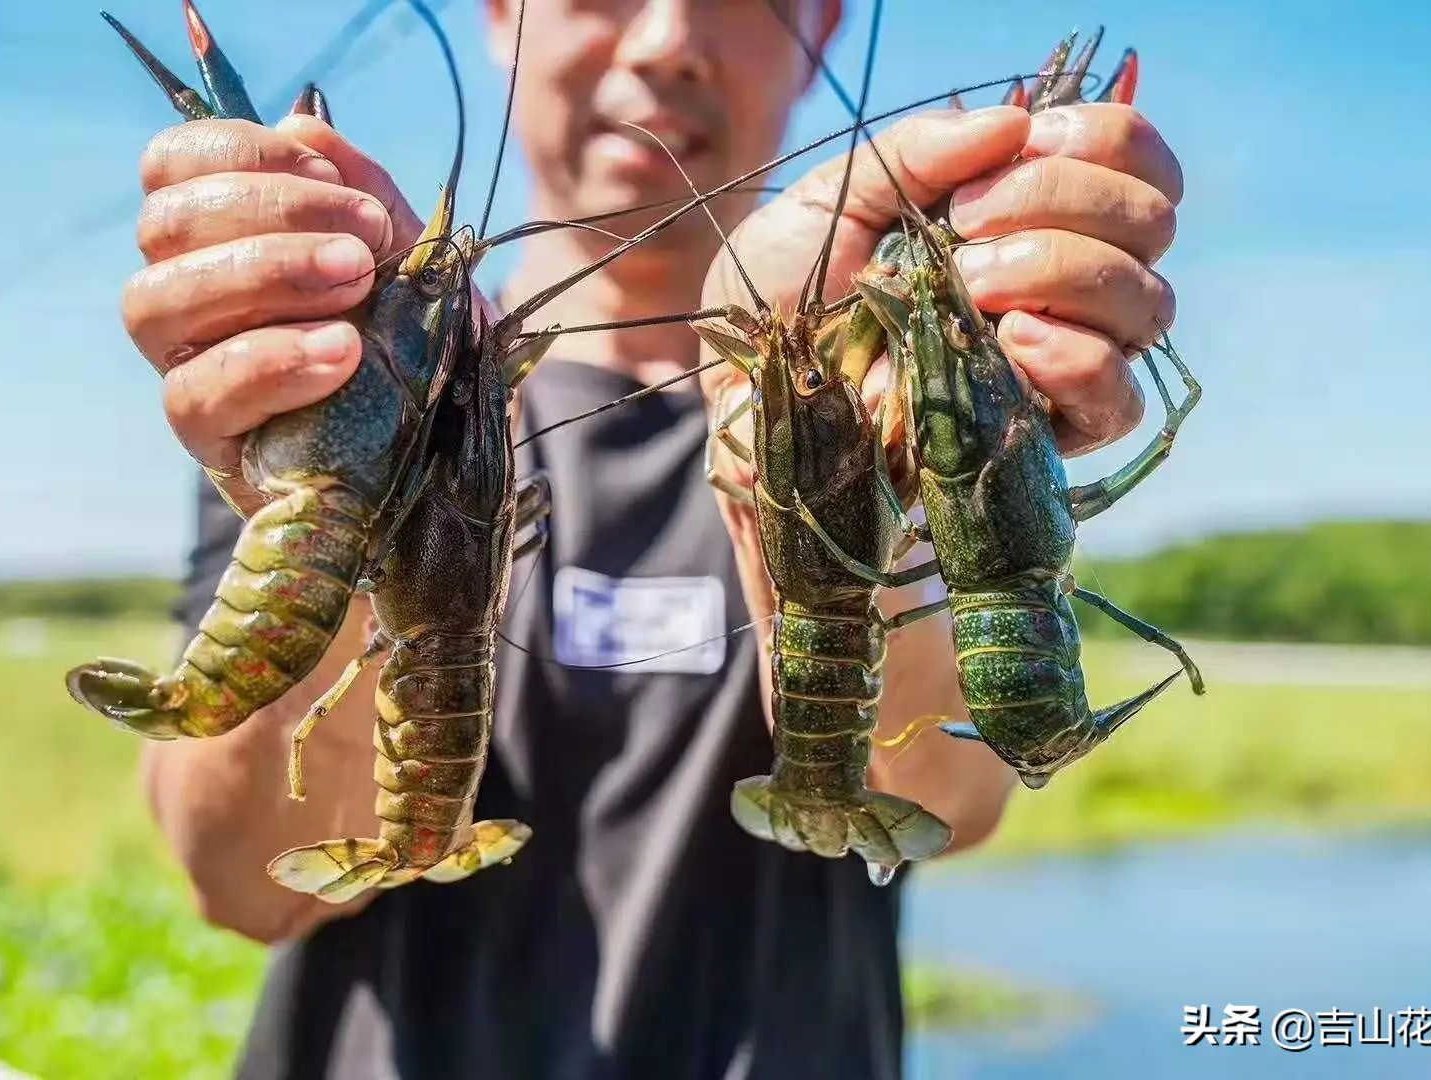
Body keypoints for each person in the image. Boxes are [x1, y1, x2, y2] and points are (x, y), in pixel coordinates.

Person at [123, 1, 1182, 1077]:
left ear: (822, 30)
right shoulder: (340, 388)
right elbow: (241, 879)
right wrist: (345, 500)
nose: (666, 38)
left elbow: (950, 800)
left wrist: (880, 426)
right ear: (503, 15)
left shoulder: (877, 392)